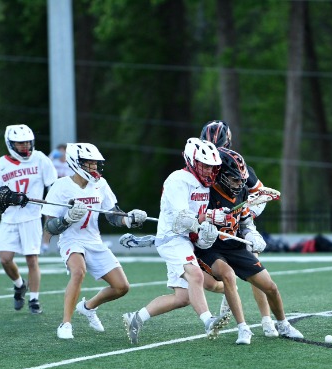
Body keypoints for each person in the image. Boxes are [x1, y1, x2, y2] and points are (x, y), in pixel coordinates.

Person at [122, 138, 231, 345]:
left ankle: (135, 318)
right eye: (205, 165)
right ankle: (208, 321)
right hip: (172, 238)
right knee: (195, 275)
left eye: (212, 166)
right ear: (191, 161)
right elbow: (183, 220)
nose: (209, 170)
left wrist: (212, 223)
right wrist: (208, 217)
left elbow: (197, 220)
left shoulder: (204, 184)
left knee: (183, 297)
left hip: (186, 240)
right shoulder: (178, 180)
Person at [194, 147, 304, 345]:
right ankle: (243, 328)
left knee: (270, 287)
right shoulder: (206, 193)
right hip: (211, 248)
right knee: (227, 275)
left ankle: (283, 324)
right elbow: (193, 222)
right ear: (221, 175)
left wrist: (251, 234)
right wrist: (205, 226)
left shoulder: (242, 191)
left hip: (235, 245)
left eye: (241, 180)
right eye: (235, 179)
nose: (239, 184)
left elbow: (245, 220)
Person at [42, 142, 148, 339]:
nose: (93, 167)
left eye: (95, 163)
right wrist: (67, 219)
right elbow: (49, 227)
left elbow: (113, 215)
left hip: (94, 240)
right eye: (88, 163)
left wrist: (129, 220)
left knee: (121, 287)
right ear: (75, 162)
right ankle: (65, 323)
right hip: (71, 239)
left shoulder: (100, 184)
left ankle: (88, 307)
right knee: (78, 271)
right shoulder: (61, 186)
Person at [200, 120, 280, 338]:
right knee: (207, 281)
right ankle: (230, 295)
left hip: (235, 226)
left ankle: (266, 319)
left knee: (255, 267)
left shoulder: (236, 166)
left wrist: (243, 217)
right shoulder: (199, 169)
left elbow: (260, 196)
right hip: (209, 232)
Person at [0, 124, 58, 314]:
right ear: (10, 144)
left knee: (32, 259)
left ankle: (34, 299)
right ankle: (20, 285)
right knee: (5, 259)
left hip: (31, 217)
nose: (25, 146)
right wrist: (10, 197)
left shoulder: (40, 159)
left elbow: (53, 185)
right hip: (9, 219)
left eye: (27, 142)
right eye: (20, 143)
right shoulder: (0, 165)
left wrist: (52, 201)